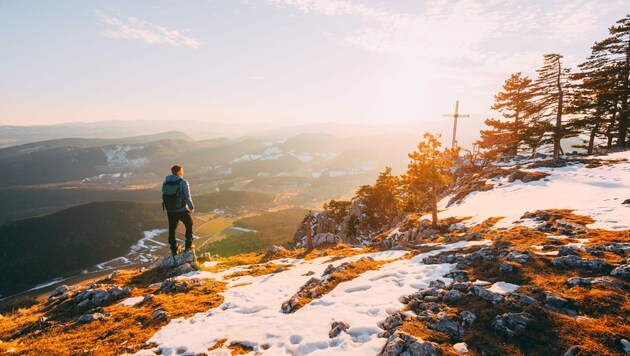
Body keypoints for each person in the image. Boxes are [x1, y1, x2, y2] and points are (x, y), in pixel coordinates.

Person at [163, 164, 195, 255]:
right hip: (181, 209)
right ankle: (188, 246)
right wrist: (191, 207)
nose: (182, 172)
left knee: (172, 228)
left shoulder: (166, 182)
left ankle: (174, 248)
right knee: (189, 224)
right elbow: (187, 196)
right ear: (179, 172)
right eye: (182, 171)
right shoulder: (183, 182)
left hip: (170, 210)